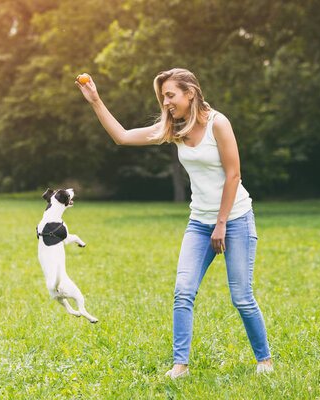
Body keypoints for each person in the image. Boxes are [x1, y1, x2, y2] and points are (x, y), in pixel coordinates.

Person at [75, 68, 273, 378]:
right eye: (163, 97)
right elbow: (123, 136)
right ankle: (180, 365)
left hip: (235, 219)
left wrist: (221, 224)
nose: (166, 102)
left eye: (171, 95)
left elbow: (233, 175)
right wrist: (96, 100)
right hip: (199, 222)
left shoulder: (218, 124)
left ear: (190, 93)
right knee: (183, 291)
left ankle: (264, 362)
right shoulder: (175, 128)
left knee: (241, 297)